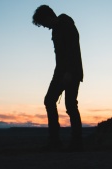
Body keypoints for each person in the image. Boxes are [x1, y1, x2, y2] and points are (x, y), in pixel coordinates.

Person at [32, 5, 84, 151]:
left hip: (71, 72)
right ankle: (55, 141)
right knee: (49, 100)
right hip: (60, 72)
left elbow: (73, 50)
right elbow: (60, 56)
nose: (45, 27)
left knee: (70, 105)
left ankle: (77, 143)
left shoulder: (66, 25)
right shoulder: (56, 30)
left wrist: (69, 72)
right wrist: (60, 73)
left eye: (44, 23)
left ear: (48, 17)